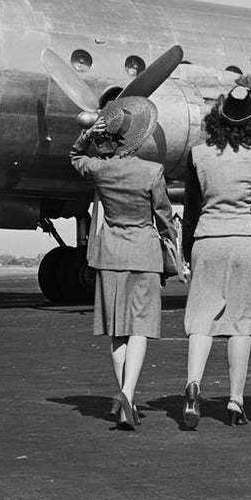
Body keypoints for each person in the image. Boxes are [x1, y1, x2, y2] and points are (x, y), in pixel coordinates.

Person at [69, 98, 179, 432]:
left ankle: (124, 402)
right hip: (143, 254)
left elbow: (75, 157)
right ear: (134, 138)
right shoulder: (151, 171)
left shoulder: (100, 170)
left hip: (111, 255)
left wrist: (89, 133)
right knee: (140, 328)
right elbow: (164, 216)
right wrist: (174, 243)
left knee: (117, 331)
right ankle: (128, 395)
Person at [181, 75, 251, 429]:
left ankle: (192, 387)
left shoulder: (197, 156)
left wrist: (188, 253)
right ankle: (234, 401)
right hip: (248, 242)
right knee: (241, 325)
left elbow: (191, 210)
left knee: (201, 321)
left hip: (207, 241)